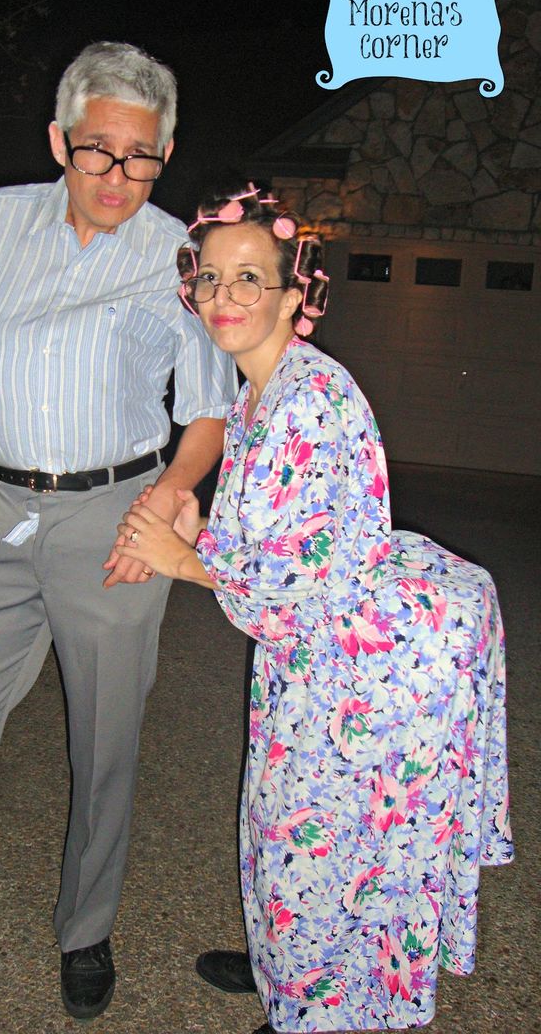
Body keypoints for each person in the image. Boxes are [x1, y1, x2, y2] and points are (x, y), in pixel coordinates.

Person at [0, 42, 235, 1019]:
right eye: (98, 151)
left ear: (165, 152)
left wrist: (170, 495)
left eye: (141, 156)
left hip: (117, 519)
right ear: (59, 140)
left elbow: (206, 409)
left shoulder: (174, 254)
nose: (118, 176)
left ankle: (86, 926)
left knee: (103, 742)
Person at [117, 186, 513, 1034]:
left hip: (364, 669)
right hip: (320, 658)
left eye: (249, 279)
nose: (225, 298)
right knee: (285, 828)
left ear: (295, 298)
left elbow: (298, 584)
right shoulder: (255, 391)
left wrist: (181, 559)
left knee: (328, 845)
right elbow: (274, 535)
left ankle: (322, 1007)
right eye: (212, 279)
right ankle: (287, 968)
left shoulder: (307, 400)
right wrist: (200, 524)